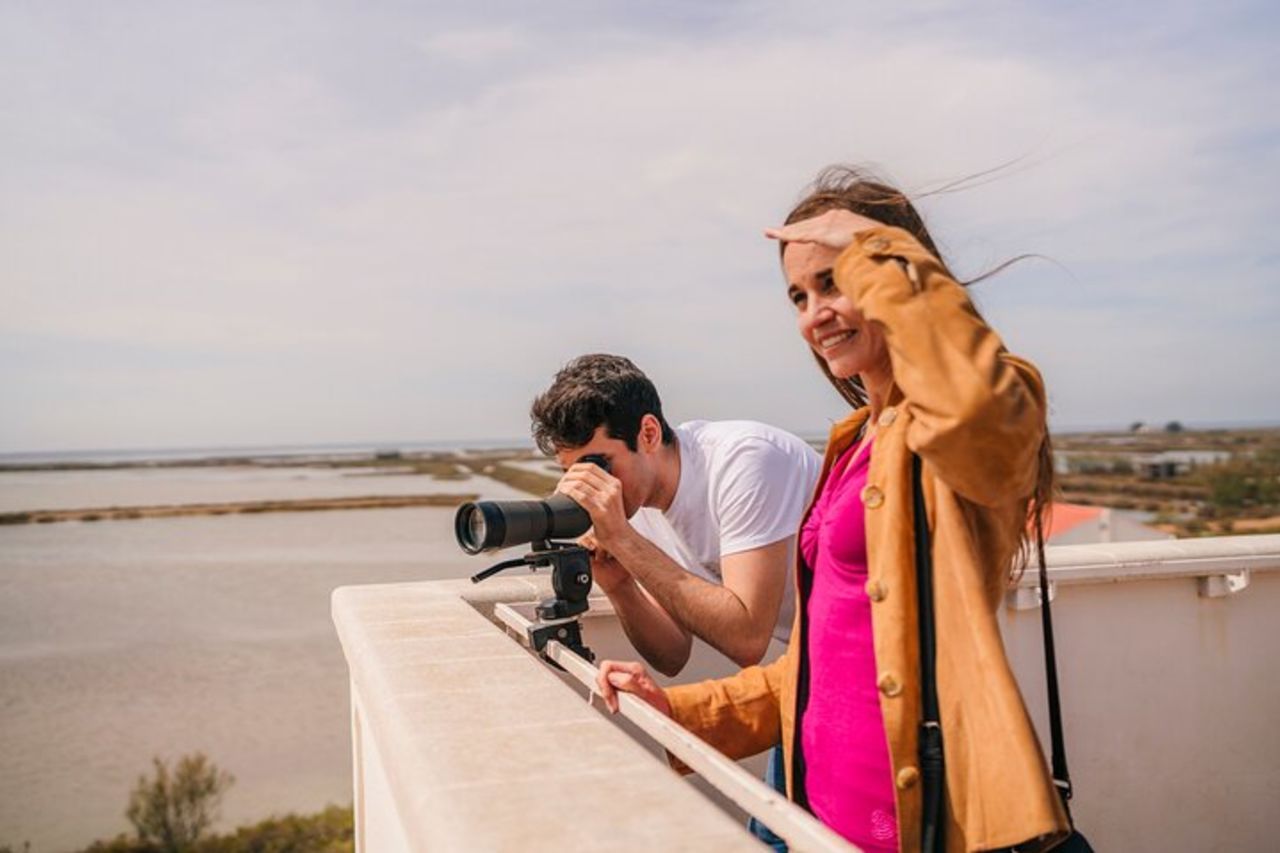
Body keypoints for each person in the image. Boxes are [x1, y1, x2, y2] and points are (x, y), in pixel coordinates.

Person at [593, 167, 1072, 853]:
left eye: (835, 280)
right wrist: (682, 710)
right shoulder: (854, 445)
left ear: (902, 271)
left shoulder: (969, 422)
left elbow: (972, 407)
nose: (814, 314)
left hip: (921, 826)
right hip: (817, 819)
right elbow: (827, 662)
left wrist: (876, 253)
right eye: (798, 294)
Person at [531, 353, 821, 677]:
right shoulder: (634, 499)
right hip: (817, 656)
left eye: (597, 466)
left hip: (873, 643)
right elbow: (672, 656)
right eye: (573, 473)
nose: (594, 486)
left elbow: (748, 639)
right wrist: (620, 587)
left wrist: (621, 540)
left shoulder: (746, 460)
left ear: (649, 434)